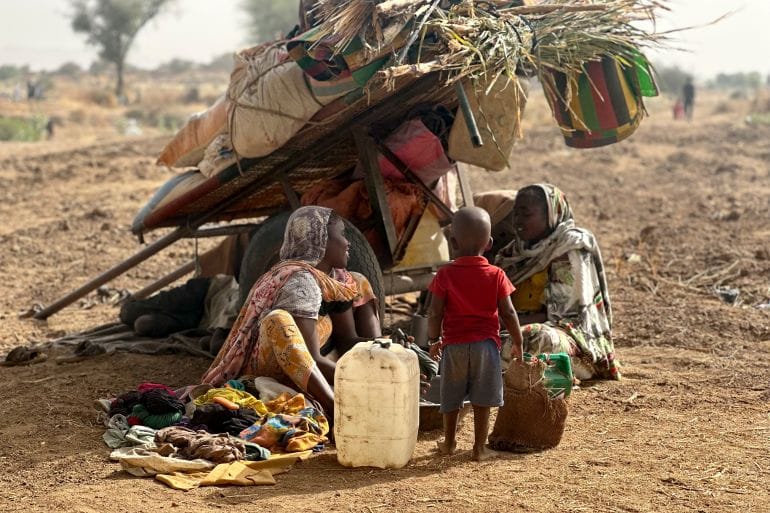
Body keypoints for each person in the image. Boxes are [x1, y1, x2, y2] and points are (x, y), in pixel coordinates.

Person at [201, 206, 380, 418]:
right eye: (341, 234)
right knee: (278, 320)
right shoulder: (299, 281)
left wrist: (384, 353)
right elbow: (311, 359)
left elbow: (347, 339)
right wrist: (367, 381)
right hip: (282, 367)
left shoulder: (336, 278)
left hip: (317, 360)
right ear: (320, 239)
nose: (348, 242)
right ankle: (335, 409)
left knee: (358, 281)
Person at [427, 207, 523, 461]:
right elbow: (509, 312)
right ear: (489, 243)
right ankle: (479, 448)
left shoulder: (445, 274)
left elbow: (434, 313)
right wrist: (518, 341)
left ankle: (449, 443)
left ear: (453, 242)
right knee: (483, 398)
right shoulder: (496, 275)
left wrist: (433, 340)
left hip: (454, 346)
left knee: (451, 396)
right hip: (486, 347)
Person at [496, 184, 620, 380]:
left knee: (536, 338)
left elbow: (562, 316)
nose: (518, 220)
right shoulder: (512, 252)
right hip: (511, 327)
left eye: (526, 214)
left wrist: (505, 323)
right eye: (516, 214)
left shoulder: (570, 247)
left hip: (566, 337)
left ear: (551, 216)